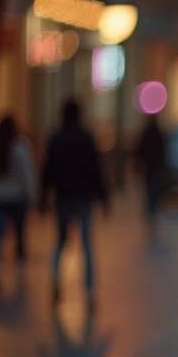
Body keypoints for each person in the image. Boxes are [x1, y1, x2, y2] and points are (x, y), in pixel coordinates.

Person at [41, 99, 108, 308]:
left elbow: (47, 170)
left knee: (60, 243)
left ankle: (55, 281)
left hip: (63, 198)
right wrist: (104, 198)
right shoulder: (87, 138)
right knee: (86, 245)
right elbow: (96, 170)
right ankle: (89, 291)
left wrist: (43, 197)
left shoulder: (56, 138)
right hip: (83, 199)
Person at [0, 116, 37, 290]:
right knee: (19, 234)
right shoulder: (20, 147)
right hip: (17, 197)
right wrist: (31, 195)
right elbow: (26, 173)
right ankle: (20, 269)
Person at [134, 115, 168, 236]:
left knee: (150, 189)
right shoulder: (158, 133)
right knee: (153, 189)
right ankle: (152, 209)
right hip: (154, 167)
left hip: (149, 167)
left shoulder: (147, 133)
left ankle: (151, 209)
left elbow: (139, 150)